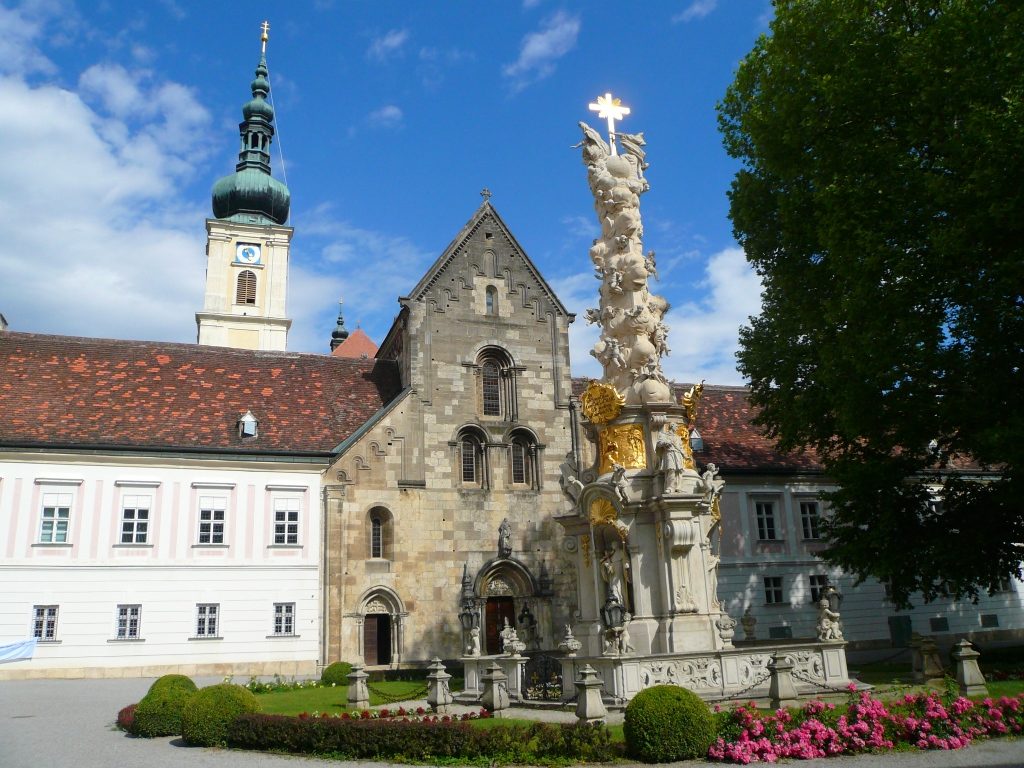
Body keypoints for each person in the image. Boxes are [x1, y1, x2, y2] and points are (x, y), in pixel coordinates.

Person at [657, 422, 686, 493]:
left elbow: (681, 447)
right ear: (672, 426)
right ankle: (670, 487)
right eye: (676, 426)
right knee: (671, 469)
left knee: (679, 471)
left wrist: (684, 454)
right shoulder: (664, 435)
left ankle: (678, 487)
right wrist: (666, 442)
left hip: (678, 454)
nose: (677, 428)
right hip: (669, 453)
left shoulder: (678, 437)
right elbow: (659, 444)